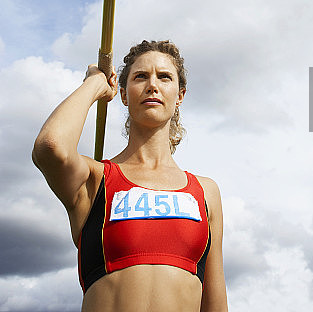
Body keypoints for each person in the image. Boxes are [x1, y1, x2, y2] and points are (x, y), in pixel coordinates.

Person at [32, 39, 228, 312]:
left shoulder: (205, 192)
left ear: (180, 95)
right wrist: (95, 84)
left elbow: (215, 304)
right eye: (140, 77)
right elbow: (50, 146)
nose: (152, 85)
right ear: (123, 95)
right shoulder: (96, 180)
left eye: (164, 77)